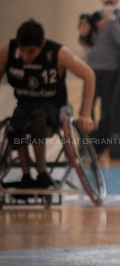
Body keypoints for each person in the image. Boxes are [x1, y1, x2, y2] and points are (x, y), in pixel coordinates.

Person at [1, 19, 95, 190]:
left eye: (31, 52)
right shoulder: (8, 51)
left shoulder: (57, 53)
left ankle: (42, 172)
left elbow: (89, 75)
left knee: (38, 119)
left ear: (42, 45)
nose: (25, 56)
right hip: (24, 105)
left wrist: (86, 113)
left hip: (53, 106)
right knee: (15, 126)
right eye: (22, 50)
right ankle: (26, 175)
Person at [85, 0, 120, 154]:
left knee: (107, 110)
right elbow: (86, 40)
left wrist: (111, 20)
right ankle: (87, 146)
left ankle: (101, 145)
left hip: (112, 69)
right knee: (87, 108)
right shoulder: (93, 16)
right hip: (91, 69)